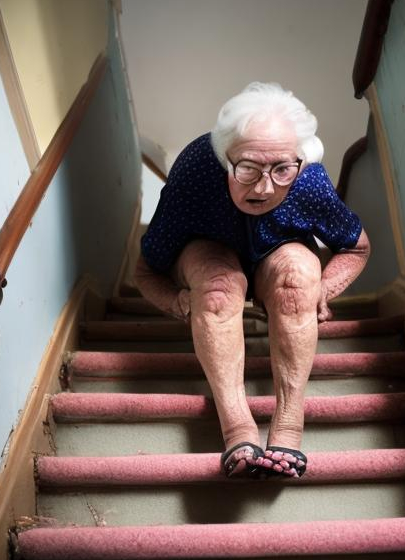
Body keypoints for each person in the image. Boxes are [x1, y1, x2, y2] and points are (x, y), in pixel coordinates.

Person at [134, 82, 370, 479]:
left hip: (277, 253)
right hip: (206, 249)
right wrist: (178, 301)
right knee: (217, 286)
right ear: (223, 157)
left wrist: (322, 290)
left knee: (298, 280)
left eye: (281, 169)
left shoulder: (307, 179)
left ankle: (289, 426)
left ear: (298, 161)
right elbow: (145, 271)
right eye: (247, 168)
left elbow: (356, 248)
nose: (264, 186)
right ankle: (237, 430)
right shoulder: (195, 169)